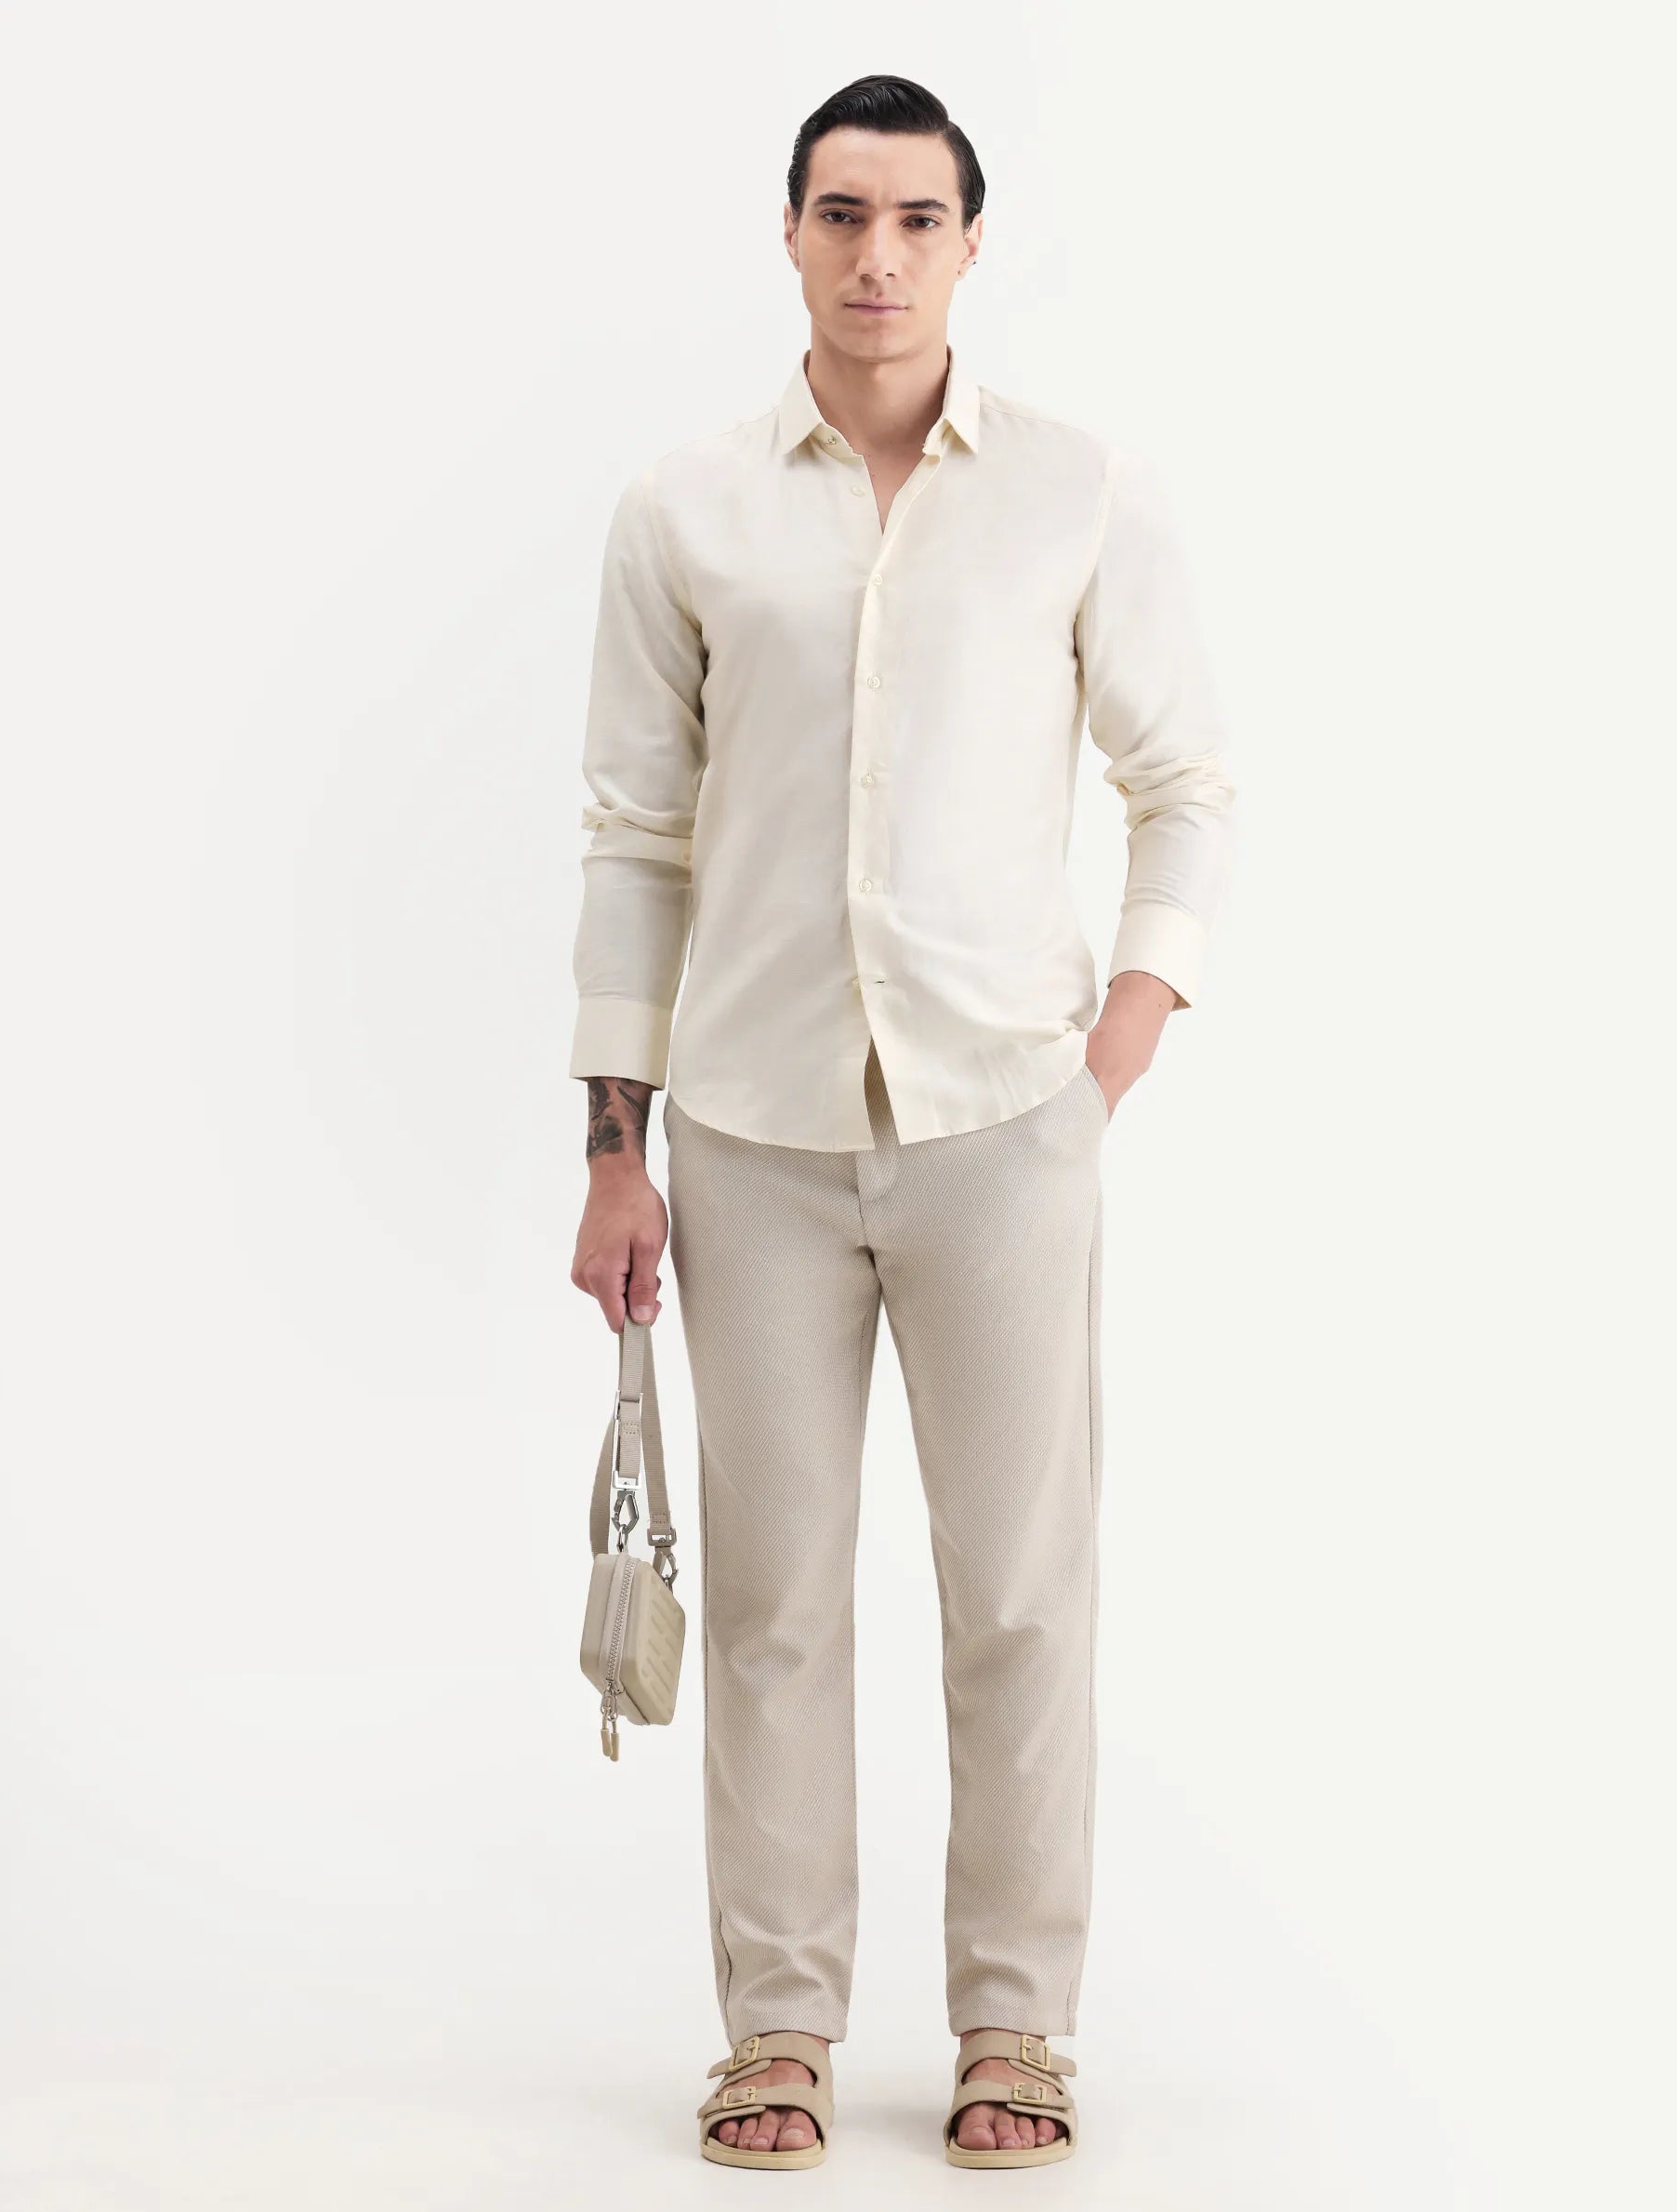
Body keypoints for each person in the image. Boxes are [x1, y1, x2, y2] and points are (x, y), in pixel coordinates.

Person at [568, 73, 1235, 2170]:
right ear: (789, 233)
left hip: (1005, 1124)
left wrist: (1114, 1045)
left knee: (1020, 1595)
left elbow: (1185, 783)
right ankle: (776, 2027)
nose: (878, 255)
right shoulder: (685, 508)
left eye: (917, 219)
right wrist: (613, 1144)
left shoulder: (1074, 492)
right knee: (776, 1599)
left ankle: (1015, 2024)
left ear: (968, 244)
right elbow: (636, 831)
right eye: (842, 213)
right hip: (753, 1136)